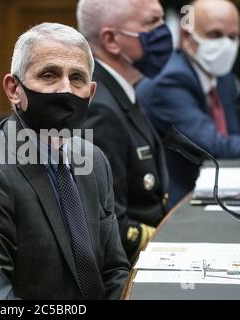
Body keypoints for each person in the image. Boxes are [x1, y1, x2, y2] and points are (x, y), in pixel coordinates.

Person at [0, 22, 130, 300]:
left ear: (90, 94)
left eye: (76, 78)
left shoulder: (94, 160)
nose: (64, 90)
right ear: (13, 89)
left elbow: (114, 270)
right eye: (49, 75)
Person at [76, 0, 171, 261]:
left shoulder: (122, 90)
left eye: (162, 19)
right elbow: (110, 226)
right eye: (152, 22)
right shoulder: (101, 109)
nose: (164, 31)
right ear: (111, 40)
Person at [136, 0, 240, 207]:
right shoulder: (168, 80)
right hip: (182, 201)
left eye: (233, 37)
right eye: (215, 35)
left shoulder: (224, 78)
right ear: (187, 37)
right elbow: (212, 149)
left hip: (225, 189)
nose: (226, 45)